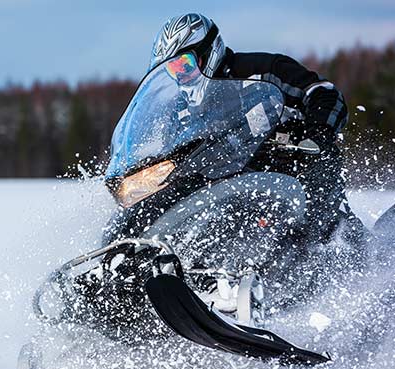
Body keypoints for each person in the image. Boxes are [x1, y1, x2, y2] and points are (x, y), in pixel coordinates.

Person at [149, 13, 350, 242]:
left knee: (317, 226)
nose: (181, 76)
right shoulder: (181, 110)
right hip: (234, 192)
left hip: (296, 172)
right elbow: (176, 152)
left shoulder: (263, 70)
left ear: (208, 52)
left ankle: (343, 249)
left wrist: (318, 134)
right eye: (173, 69)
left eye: (185, 64)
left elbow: (324, 93)